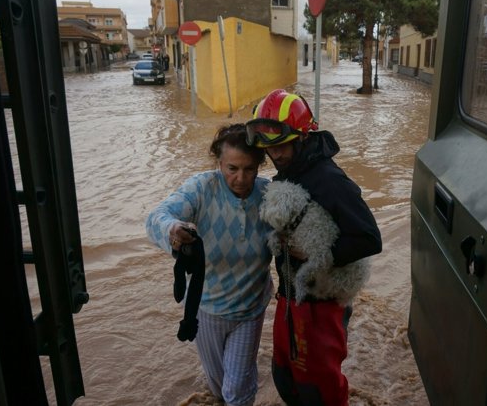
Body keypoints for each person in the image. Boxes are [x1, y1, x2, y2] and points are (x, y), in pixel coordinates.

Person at [245, 89, 383, 406]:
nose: (274, 155)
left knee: (318, 388)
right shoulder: (289, 172)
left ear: (302, 137)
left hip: (322, 305)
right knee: (284, 377)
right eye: (268, 148)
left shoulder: (330, 180)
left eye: (281, 146)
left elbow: (370, 239)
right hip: (290, 296)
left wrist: (317, 255)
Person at [145, 123, 272, 406]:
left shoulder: (269, 196)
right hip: (207, 309)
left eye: (249, 169)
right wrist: (173, 229)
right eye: (232, 168)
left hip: (249, 309)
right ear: (219, 163)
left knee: (238, 390)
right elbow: (157, 215)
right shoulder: (202, 188)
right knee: (218, 386)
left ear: (260, 166)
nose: (240, 178)